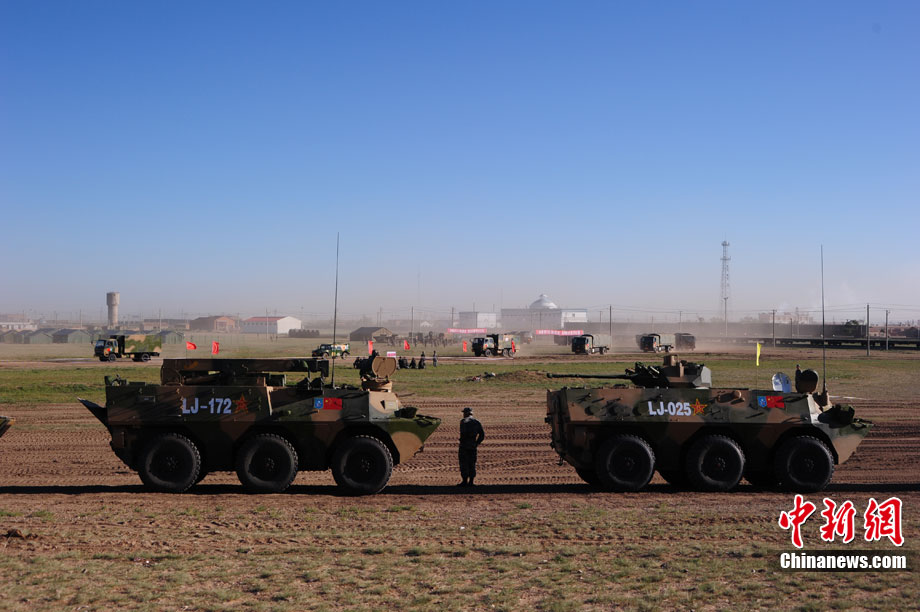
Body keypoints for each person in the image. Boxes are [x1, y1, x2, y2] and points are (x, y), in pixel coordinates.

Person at [458, 406, 485, 487]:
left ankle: (464, 481)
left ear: (465, 413)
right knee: (472, 463)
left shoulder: (463, 421)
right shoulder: (477, 422)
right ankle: (471, 481)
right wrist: (477, 443)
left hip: (464, 446)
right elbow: (482, 435)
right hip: (473, 446)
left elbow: (463, 433)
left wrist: (463, 441)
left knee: (464, 463)